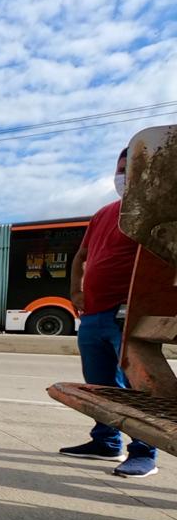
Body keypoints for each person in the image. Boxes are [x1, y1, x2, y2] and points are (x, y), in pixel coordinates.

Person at [60, 148, 158, 478]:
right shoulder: (104, 214)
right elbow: (81, 256)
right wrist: (76, 291)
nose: (123, 176)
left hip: (129, 313)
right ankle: (105, 441)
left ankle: (144, 449)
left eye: (131, 169)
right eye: (120, 169)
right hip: (94, 313)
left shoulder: (157, 213)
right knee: (99, 385)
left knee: (136, 386)